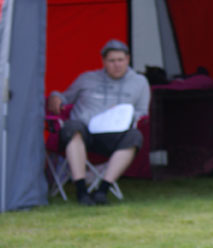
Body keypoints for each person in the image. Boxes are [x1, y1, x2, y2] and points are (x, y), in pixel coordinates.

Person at [46, 39, 150, 205]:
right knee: (73, 128)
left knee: (135, 136)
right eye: (112, 61)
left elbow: (142, 112)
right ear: (103, 62)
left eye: (120, 60)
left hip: (113, 135)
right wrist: (55, 96)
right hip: (84, 132)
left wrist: (125, 115)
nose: (117, 65)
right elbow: (64, 96)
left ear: (128, 59)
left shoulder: (139, 83)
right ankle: (81, 191)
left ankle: (103, 190)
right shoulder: (87, 79)